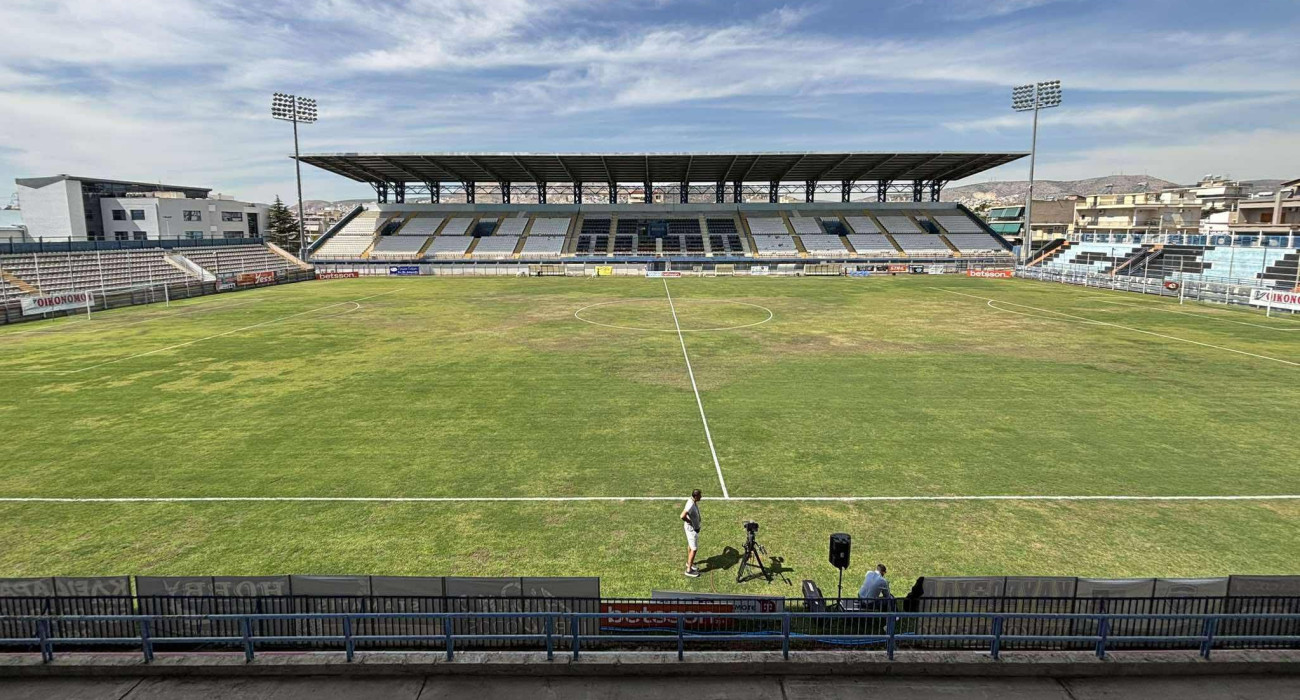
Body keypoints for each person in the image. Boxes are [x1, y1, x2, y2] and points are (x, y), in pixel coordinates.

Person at [680, 489, 702, 577]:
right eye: (700, 496)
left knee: (690, 545)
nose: (701, 497)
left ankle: (689, 563)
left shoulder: (692, 500)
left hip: (691, 529)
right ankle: (689, 570)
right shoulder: (690, 504)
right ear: (696, 496)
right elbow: (682, 516)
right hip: (691, 530)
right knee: (694, 549)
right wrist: (690, 522)